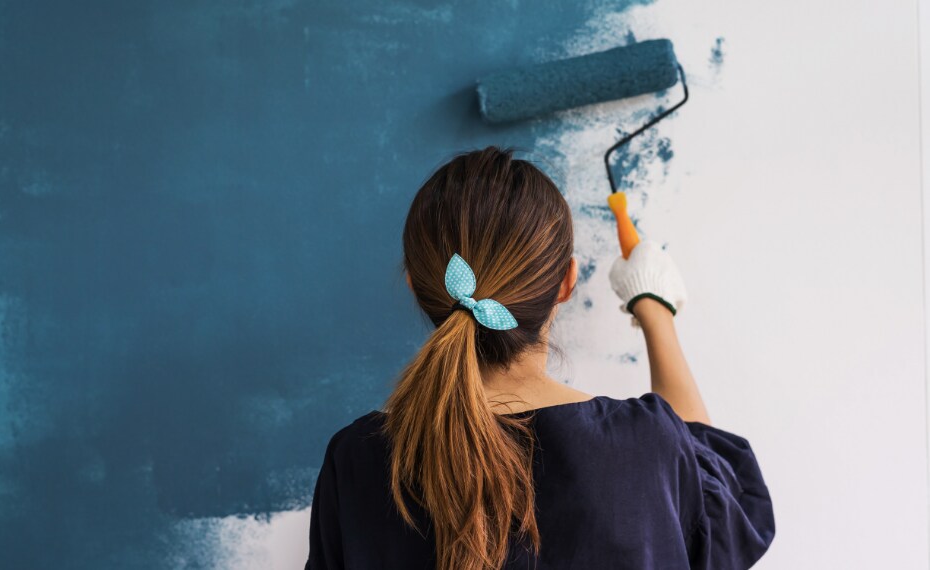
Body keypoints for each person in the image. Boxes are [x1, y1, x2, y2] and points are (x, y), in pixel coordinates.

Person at [304, 146, 775, 569]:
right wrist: (655, 310)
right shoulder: (645, 447)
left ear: (416, 286)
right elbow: (724, 508)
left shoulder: (357, 462)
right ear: (568, 283)